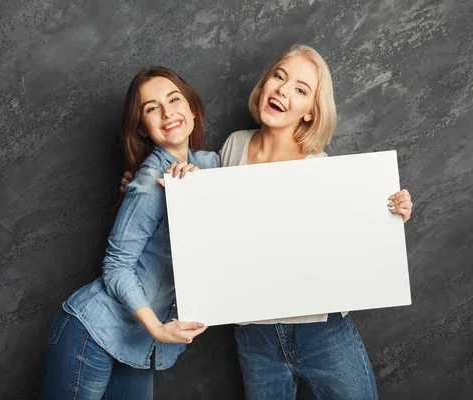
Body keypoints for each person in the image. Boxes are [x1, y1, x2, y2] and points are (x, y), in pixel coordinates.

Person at [122, 45, 413, 399]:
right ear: (264, 85)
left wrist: (392, 208)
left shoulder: (321, 166)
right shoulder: (233, 148)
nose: (283, 90)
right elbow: (210, 218)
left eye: (301, 90)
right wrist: (172, 181)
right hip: (255, 336)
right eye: (279, 77)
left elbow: (352, 240)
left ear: (310, 113)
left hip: (322, 331)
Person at [41, 67, 220, 400]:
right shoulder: (152, 180)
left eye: (174, 100)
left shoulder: (210, 165)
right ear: (143, 127)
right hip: (92, 332)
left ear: (193, 108)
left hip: (136, 344)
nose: (168, 112)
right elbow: (116, 266)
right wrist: (158, 328)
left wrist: (199, 189)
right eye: (152, 108)